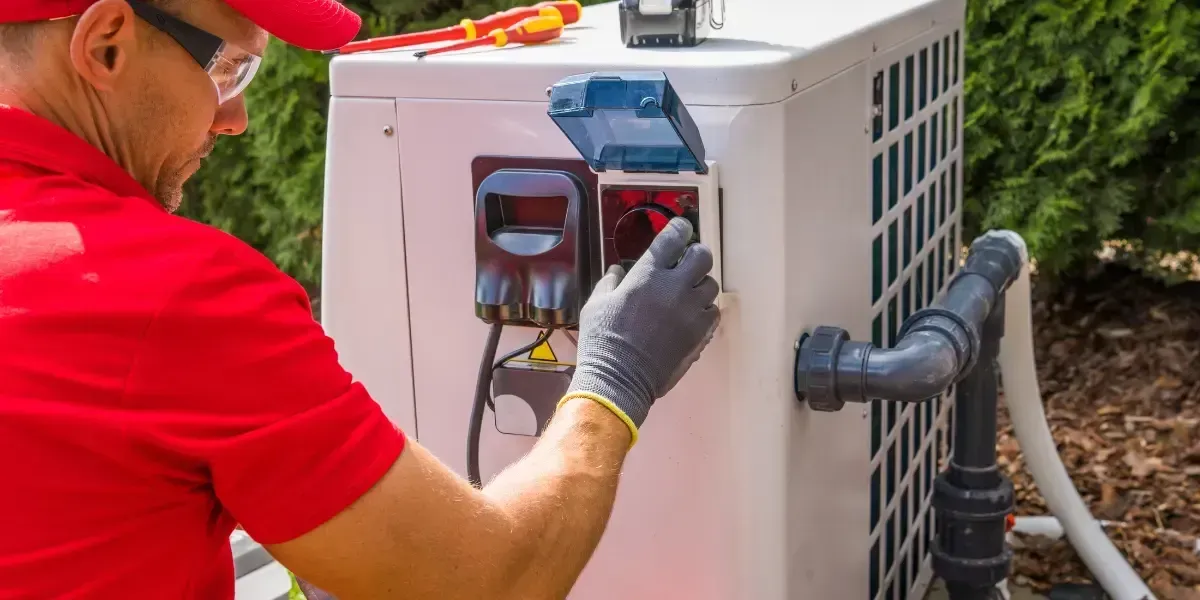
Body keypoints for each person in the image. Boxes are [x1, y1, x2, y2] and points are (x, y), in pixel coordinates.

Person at [0, 1, 722, 598]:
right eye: (228, 68)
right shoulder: (175, 296)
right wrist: (612, 381)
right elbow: (494, 581)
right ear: (106, 47)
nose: (236, 118)